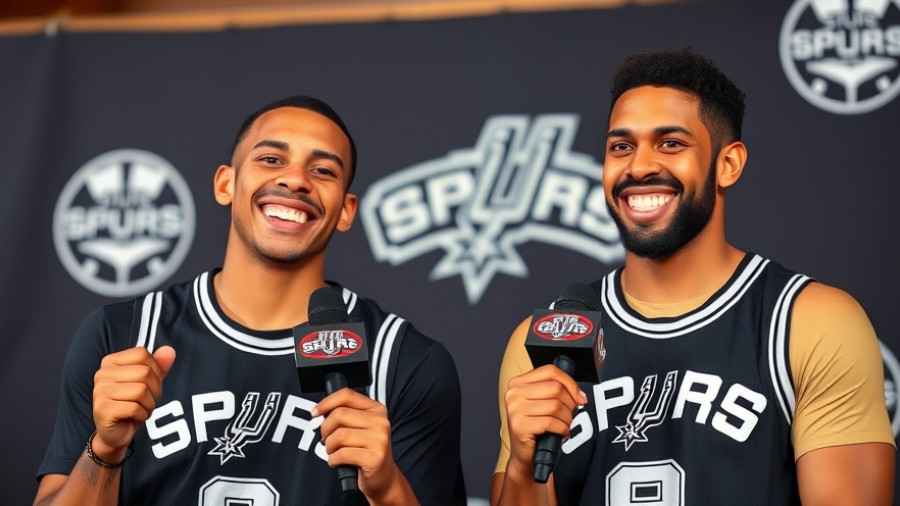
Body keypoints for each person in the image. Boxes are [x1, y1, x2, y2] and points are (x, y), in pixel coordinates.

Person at [490, 47, 896, 505]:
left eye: (671, 143)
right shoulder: (543, 343)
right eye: (621, 146)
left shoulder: (810, 321)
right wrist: (524, 466)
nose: (639, 166)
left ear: (728, 164)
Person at [34, 95, 467, 505]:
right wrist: (105, 448)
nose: (295, 179)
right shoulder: (121, 335)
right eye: (271, 159)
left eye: (323, 171)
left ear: (347, 209)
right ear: (226, 183)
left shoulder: (407, 362)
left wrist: (388, 488)